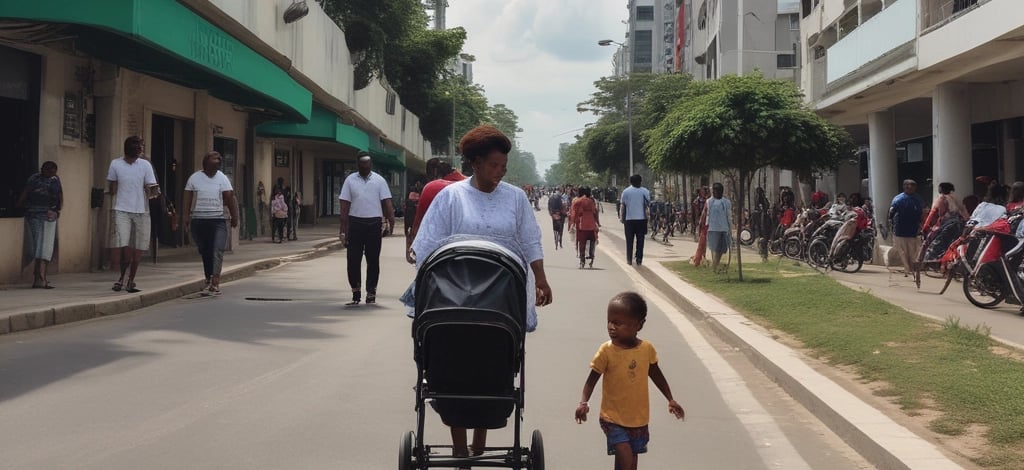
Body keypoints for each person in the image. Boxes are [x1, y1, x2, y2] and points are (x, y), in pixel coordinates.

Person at [412, 124, 553, 462]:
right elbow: (428, 246)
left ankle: (478, 447)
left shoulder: (516, 198)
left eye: (503, 167)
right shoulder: (451, 196)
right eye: (493, 166)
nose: (499, 173)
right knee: (451, 369)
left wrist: (541, 278)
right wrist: (423, 290)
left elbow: (530, 240)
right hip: (451, 299)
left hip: (500, 300)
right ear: (474, 162)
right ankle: (460, 449)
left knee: (492, 367)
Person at [574, 292, 685, 470]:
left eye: (618, 323)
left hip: (638, 419)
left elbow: (656, 374)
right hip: (612, 418)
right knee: (625, 453)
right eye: (609, 321)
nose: (611, 327)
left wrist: (670, 399)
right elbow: (591, 379)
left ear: (638, 325)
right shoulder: (606, 351)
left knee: (630, 463)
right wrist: (583, 402)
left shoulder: (646, 349)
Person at [339, 152, 395, 305]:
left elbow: (387, 202)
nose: (364, 165)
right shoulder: (350, 180)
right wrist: (343, 230)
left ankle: (371, 292)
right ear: (357, 164)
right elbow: (344, 206)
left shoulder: (379, 181)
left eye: (367, 162)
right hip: (355, 224)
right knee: (353, 260)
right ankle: (356, 292)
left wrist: (391, 221)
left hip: (373, 224)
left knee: (373, 260)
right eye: (362, 163)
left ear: (371, 163)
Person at [107, 136, 159, 294]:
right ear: (127, 147)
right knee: (125, 246)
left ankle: (131, 280)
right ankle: (121, 277)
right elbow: (112, 187)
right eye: (136, 145)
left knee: (139, 248)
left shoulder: (145, 165)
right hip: (121, 210)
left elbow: (151, 186)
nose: (139, 148)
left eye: (141, 146)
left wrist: (154, 192)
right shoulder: (116, 164)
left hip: (142, 211)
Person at [182, 151, 239, 295]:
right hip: (199, 220)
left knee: (217, 249)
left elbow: (229, 197)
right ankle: (208, 278)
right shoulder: (194, 178)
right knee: (205, 251)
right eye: (215, 158)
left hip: (218, 220)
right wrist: (186, 216)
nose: (218, 160)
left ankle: (215, 282)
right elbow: (187, 198)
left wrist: (234, 216)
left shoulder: (223, 178)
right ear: (206, 161)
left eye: (220, 158)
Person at [17, 161, 63, 289]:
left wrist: (57, 210)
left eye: (52, 170)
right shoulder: (34, 179)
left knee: (46, 248)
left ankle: (41, 277)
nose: (49, 173)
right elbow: (26, 193)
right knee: (38, 246)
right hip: (35, 215)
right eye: (47, 170)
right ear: (42, 169)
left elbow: (60, 196)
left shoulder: (55, 180)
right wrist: (19, 206)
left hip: (50, 216)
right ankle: (39, 277)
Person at [889, 179, 924, 276]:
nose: (911, 188)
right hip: (900, 229)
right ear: (904, 187)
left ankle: (912, 267)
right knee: (903, 251)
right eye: (909, 186)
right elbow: (891, 213)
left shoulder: (918, 198)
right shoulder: (898, 199)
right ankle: (907, 268)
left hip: (913, 230)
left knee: (912, 251)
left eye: (913, 186)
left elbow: (922, 213)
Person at [620, 175, 651, 266]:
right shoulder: (645, 191)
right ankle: (639, 259)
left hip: (629, 220)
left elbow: (623, 205)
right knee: (640, 240)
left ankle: (629, 259)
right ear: (640, 181)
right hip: (641, 220)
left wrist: (622, 217)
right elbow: (648, 204)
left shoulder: (626, 192)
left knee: (629, 240)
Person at [704, 182, 733, 272]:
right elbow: (706, 214)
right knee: (714, 248)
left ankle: (715, 265)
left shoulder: (726, 202)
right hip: (713, 229)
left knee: (722, 249)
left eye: (715, 191)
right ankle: (714, 266)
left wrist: (730, 228)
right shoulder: (709, 201)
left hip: (724, 229)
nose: (714, 193)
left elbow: (729, 216)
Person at [570, 186, 601, 269]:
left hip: (582, 225)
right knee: (592, 242)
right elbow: (595, 212)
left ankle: (582, 259)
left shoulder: (578, 201)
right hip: (591, 225)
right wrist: (598, 223)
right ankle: (591, 257)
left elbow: (574, 213)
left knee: (582, 243)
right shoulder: (592, 201)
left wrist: (572, 223)